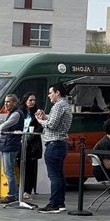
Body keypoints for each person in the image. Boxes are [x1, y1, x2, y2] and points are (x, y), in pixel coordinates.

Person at [35, 82, 72, 213]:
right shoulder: (65, 105)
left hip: (54, 143)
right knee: (59, 175)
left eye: (51, 92)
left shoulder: (58, 105)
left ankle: (54, 204)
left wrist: (41, 121)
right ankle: (60, 203)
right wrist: (45, 116)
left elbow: (52, 125)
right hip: (60, 143)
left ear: (57, 93)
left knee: (54, 176)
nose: (49, 95)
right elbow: (54, 121)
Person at [0, 94, 23, 206]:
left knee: (9, 171)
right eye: (5, 101)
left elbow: (2, 127)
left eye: (8, 102)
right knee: (8, 170)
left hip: (10, 144)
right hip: (8, 143)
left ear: (15, 103)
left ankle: (12, 195)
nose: (6, 104)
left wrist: (0, 127)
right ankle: (13, 193)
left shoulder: (16, 114)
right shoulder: (13, 113)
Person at [20, 93, 42, 199]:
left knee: (30, 167)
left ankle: (28, 190)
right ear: (25, 101)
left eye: (34, 100)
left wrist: (29, 138)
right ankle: (20, 188)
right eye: (30, 100)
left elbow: (40, 127)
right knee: (20, 166)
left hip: (32, 143)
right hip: (20, 141)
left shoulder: (37, 113)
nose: (32, 102)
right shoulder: (20, 112)